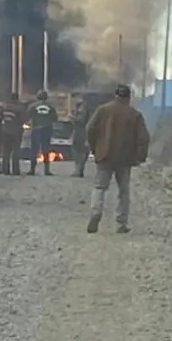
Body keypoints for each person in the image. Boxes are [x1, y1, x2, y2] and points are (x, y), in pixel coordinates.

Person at [85, 84, 150, 234]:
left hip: (104, 156)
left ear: (115, 96)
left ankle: (96, 212)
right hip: (125, 158)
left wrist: (95, 148)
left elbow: (90, 129)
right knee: (123, 191)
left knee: (100, 187)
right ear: (128, 98)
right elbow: (144, 138)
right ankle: (121, 223)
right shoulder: (135, 115)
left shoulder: (103, 110)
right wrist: (140, 157)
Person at [26, 89, 57, 176]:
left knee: (34, 150)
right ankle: (47, 171)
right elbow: (55, 119)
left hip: (36, 129)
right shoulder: (51, 107)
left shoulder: (33, 106)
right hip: (47, 129)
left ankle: (32, 170)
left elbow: (27, 117)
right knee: (46, 150)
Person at [0, 92, 25, 175]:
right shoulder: (19, 108)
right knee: (16, 151)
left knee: (6, 152)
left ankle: (5, 170)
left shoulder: (4, 108)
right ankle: (15, 171)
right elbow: (23, 120)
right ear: (17, 99)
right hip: (16, 132)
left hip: (5, 132)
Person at [69, 97, 90, 177]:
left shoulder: (82, 109)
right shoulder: (81, 109)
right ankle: (79, 169)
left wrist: (73, 118)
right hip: (80, 131)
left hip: (81, 132)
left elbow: (81, 120)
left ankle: (78, 170)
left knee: (79, 151)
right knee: (79, 151)